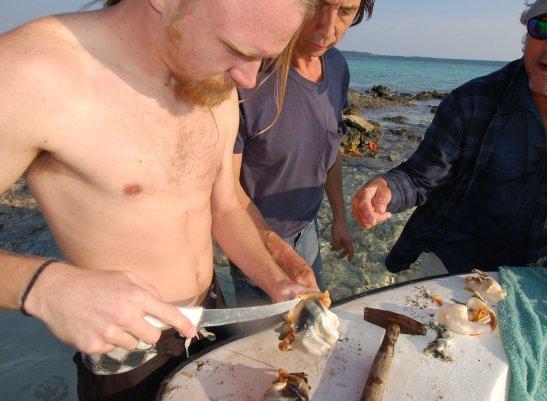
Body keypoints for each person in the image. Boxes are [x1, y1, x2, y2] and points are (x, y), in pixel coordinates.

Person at [0, 0, 321, 399]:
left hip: (209, 314)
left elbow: (223, 206)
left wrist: (274, 281)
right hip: (125, 351)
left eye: (264, 58)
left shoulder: (217, 80)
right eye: (238, 49)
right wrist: (43, 286)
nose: (249, 79)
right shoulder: (27, 73)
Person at [352, 0, 547, 301]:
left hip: (540, 287)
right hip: (451, 271)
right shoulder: (472, 100)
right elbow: (421, 177)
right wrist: (386, 188)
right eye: (542, 27)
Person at [231, 0, 374, 306]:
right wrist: (282, 255)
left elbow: (330, 149)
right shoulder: (247, 76)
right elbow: (225, 191)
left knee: (315, 330)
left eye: (345, 11)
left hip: (307, 228)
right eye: (317, 5)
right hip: (255, 241)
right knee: (260, 344)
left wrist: (339, 218)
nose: (327, 28)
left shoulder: (337, 67)